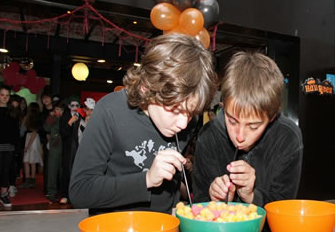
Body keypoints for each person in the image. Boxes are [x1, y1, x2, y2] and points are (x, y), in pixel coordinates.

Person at [70, 34, 217, 215]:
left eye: (191, 113)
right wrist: (146, 180)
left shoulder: (187, 122)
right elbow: (80, 191)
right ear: (146, 87)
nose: (183, 124)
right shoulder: (110, 111)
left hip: (164, 226)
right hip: (114, 227)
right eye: (175, 110)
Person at [192, 51, 303, 206]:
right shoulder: (208, 136)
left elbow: (283, 208)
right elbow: (198, 204)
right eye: (232, 121)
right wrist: (215, 200)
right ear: (223, 105)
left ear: (272, 116)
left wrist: (251, 196)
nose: (240, 136)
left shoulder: (287, 138)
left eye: (253, 126)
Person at [43, 101, 66, 202]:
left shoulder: (66, 118)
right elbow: (46, 128)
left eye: (60, 110)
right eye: (57, 109)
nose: (58, 111)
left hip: (65, 148)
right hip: (55, 148)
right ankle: (51, 192)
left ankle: (63, 192)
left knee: (63, 171)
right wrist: (50, 117)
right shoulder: (53, 118)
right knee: (52, 170)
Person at [21, 102, 43, 189]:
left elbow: (32, 132)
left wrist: (27, 146)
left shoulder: (28, 118)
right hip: (34, 139)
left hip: (31, 139)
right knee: (31, 161)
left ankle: (28, 180)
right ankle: (31, 181)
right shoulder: (37, 118)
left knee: (27, 161)